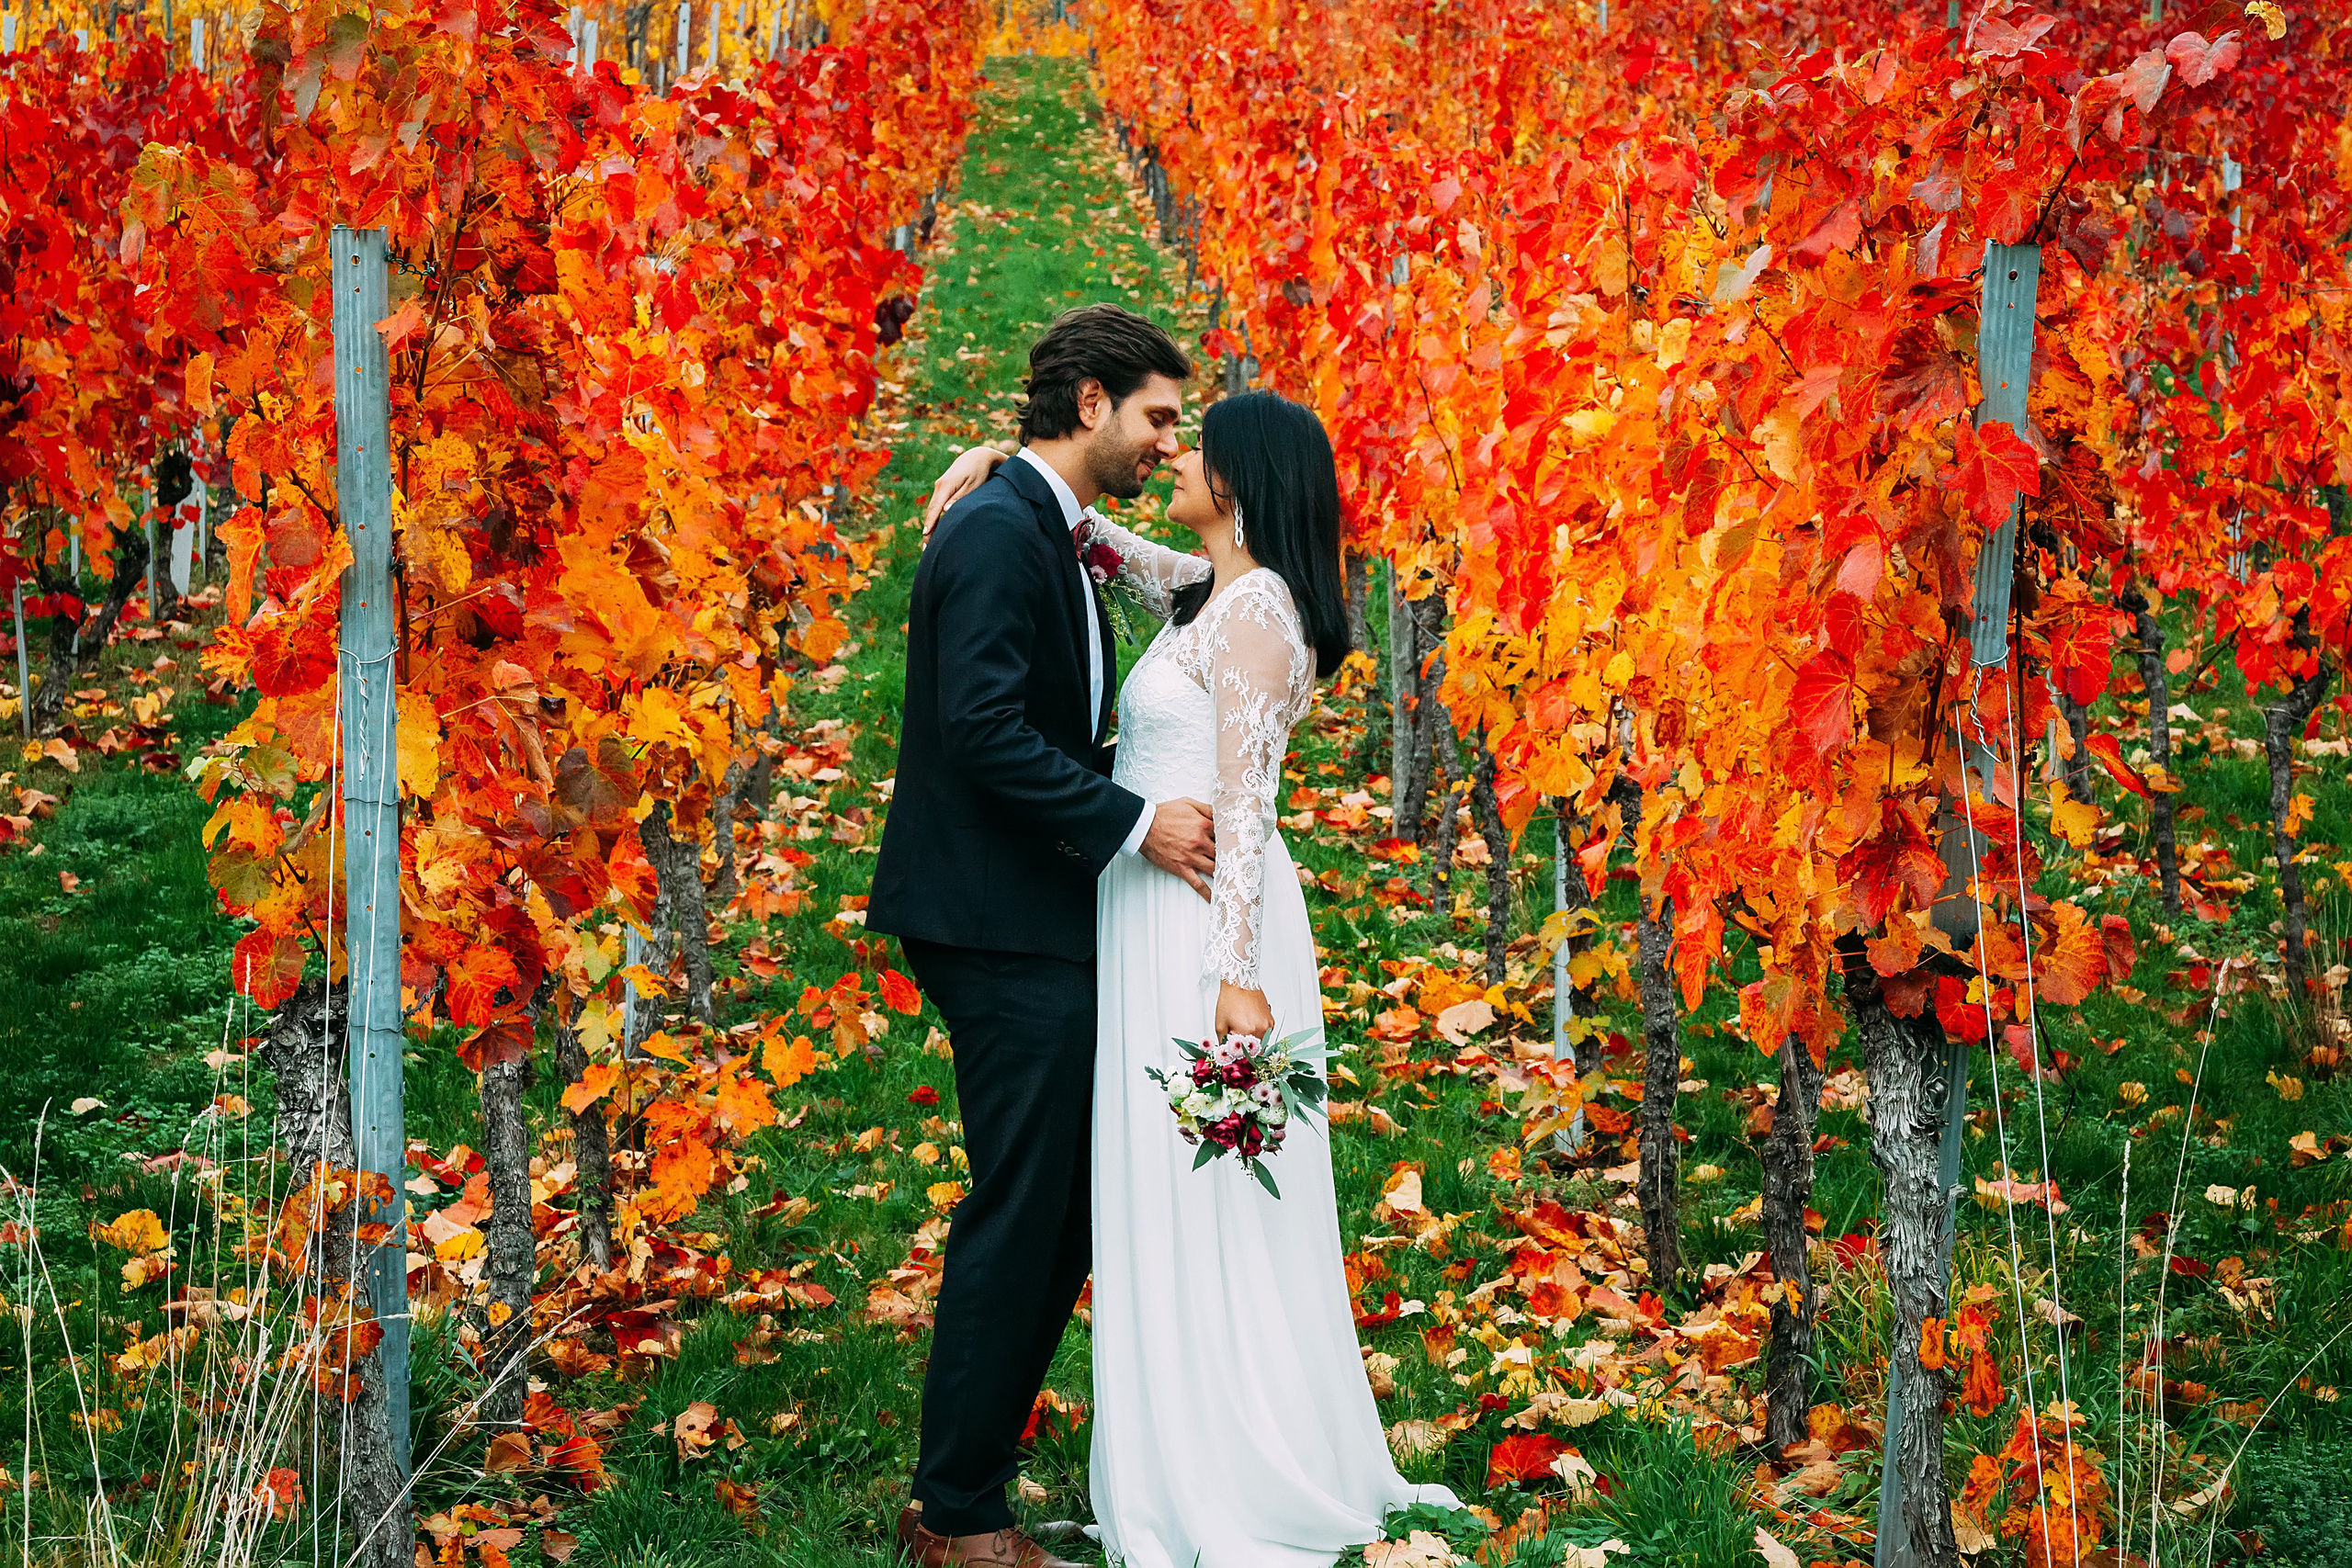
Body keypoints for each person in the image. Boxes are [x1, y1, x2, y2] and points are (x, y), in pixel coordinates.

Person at [916, 388, 1461, 1566]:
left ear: (1240, 482)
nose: (1169, 457)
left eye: (1192, 448)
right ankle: (1170, 1454)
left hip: (1203, 924)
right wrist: (1001, 459)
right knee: (1155, 1188)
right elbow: (1096, 533)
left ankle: (1228, 1464)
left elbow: (1246, 807)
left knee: (1205, 1197)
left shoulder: (1259, 611)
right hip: (1145, 907)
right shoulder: (1208, 586)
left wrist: (1236, 977)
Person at [869, 304, 1220, 1568]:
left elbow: (1216, 583)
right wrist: (1135, 821)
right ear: (1090, 405)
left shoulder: (1043, 520)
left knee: (1055, 1206)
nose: (1169, 443)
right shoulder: (995, 531)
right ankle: (955, 1517)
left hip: (1024, 908)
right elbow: (980, 729)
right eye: (1158, 418)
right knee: (1028, 1209)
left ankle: (965, 1494)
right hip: (992, 918)